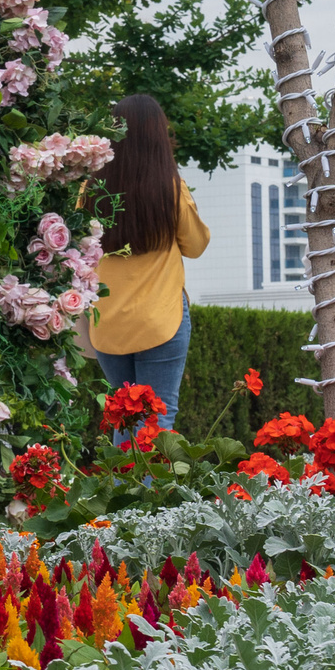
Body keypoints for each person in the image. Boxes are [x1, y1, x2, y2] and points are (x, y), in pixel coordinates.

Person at [89, 94, 210, 429]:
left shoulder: (91, 189)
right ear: (159, 135)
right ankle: (153, 484)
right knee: (157, 416)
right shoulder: (170, 188)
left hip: (108, 322)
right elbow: (196, 245)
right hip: (161, 319)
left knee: (124, 418)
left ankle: (123, 484)